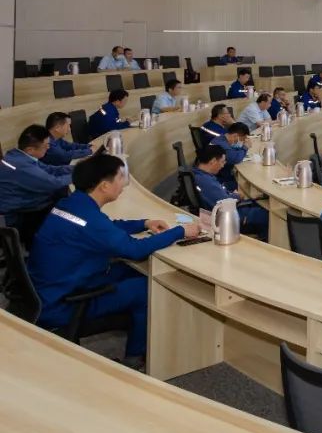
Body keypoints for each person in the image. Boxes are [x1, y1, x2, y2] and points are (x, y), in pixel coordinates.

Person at [27, 153, 199, 364]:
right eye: (120, 178)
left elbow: (107, 227)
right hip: (63, 304)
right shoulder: (90, 220)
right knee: (148, 287)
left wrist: (144, 223)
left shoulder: (71, 204)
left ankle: (138, 328)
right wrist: (180, 232)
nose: (124, 185)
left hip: (50, 288)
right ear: (104, 186)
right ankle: (134, 358)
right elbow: (134, 250)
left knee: (132, 271)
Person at [0, 125, 73, 240]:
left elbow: (49, 169)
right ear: (30, 149)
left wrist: (75, 168)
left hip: (23, 203)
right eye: (46, 145)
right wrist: (78, 174)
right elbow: (54, 183)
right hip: (17, 218)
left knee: (61, 195)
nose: (48, 147)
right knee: (61, 200)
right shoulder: (22, 167)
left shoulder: (17, 155)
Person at [192, 145, 268, 239]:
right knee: (266, 215)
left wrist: (233, 195)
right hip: (227, 217)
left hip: (224, 212)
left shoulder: (200, 174)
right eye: (222, 161)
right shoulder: (205, 181)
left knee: (259, 204)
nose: (223, 165)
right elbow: (224, 201)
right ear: (213, 161)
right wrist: (237, 196)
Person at [208, 123, 249, 191]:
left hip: (218, 174)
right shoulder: (222, 145)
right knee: (244, 185)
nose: (242, 142)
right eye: (242, 140)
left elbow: (232, 151)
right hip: (218, 179)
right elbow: (236, 159)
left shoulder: (221, 138)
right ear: (235, 135)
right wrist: (245, 147)